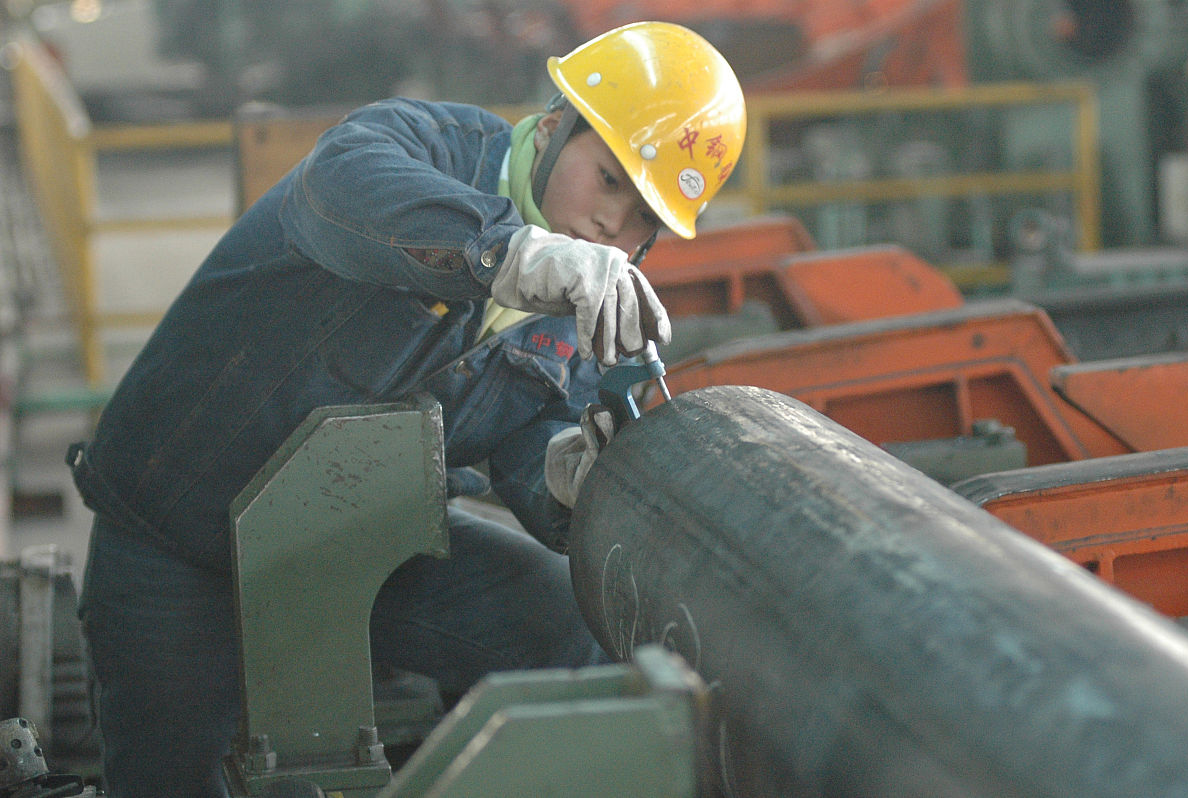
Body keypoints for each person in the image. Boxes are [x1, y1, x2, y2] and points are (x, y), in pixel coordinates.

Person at [69, 21, 746, 797]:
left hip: (366, 538)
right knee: (167, 778)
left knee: (565, 627)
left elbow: (530, 442)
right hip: (179, 536)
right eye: (611, 181)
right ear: (556, 127)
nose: (611, 227)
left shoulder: (576, 309)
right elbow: (344, 190)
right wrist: (508, 255)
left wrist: (566, 480)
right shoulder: (421, 146)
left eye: (644, 221)